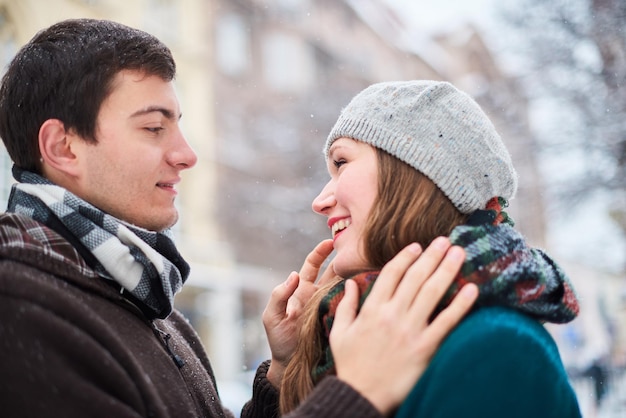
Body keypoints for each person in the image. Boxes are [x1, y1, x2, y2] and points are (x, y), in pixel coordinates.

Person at [0, 19, 478, 418]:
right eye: (153, 128)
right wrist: (356, 394)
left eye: (179, 126)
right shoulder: (21, 308)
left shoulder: (141, 300)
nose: (186, 154)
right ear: (63, 148)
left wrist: (280, 374)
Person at [279, 80, 583, 418]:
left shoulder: (496, 348)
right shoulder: (352, 341)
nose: (320, 202)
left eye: (341, 163)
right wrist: (285, 366)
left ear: (415, 171)